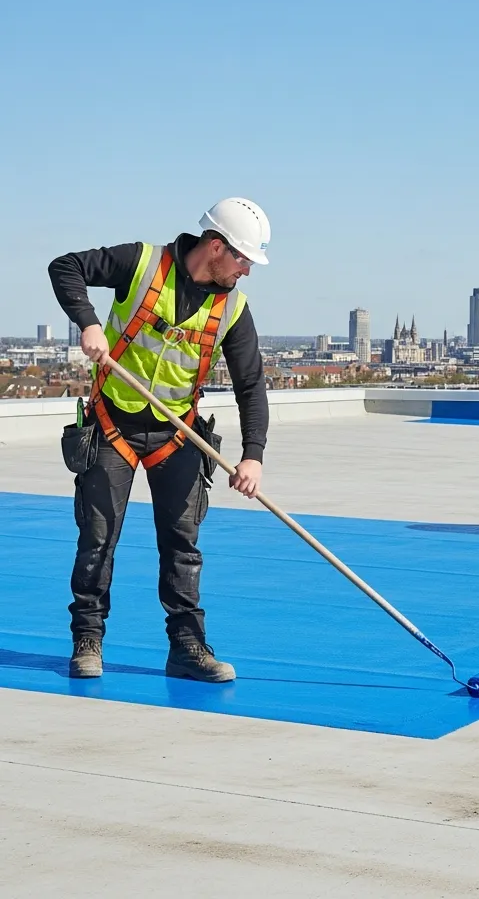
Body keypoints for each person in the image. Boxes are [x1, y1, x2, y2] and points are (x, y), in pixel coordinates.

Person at [48, 198, 273, 680]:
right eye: (243, 259)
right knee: (97, 539)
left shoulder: (234, 308)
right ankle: (88, 640)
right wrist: (88, 321)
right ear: (217, 246)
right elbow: (65, 267)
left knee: (182, 545)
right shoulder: (141, 263)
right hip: (112, 424)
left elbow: (250, 384)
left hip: (178, 433)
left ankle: (187, 648)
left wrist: (252, 456)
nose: (247, 271)